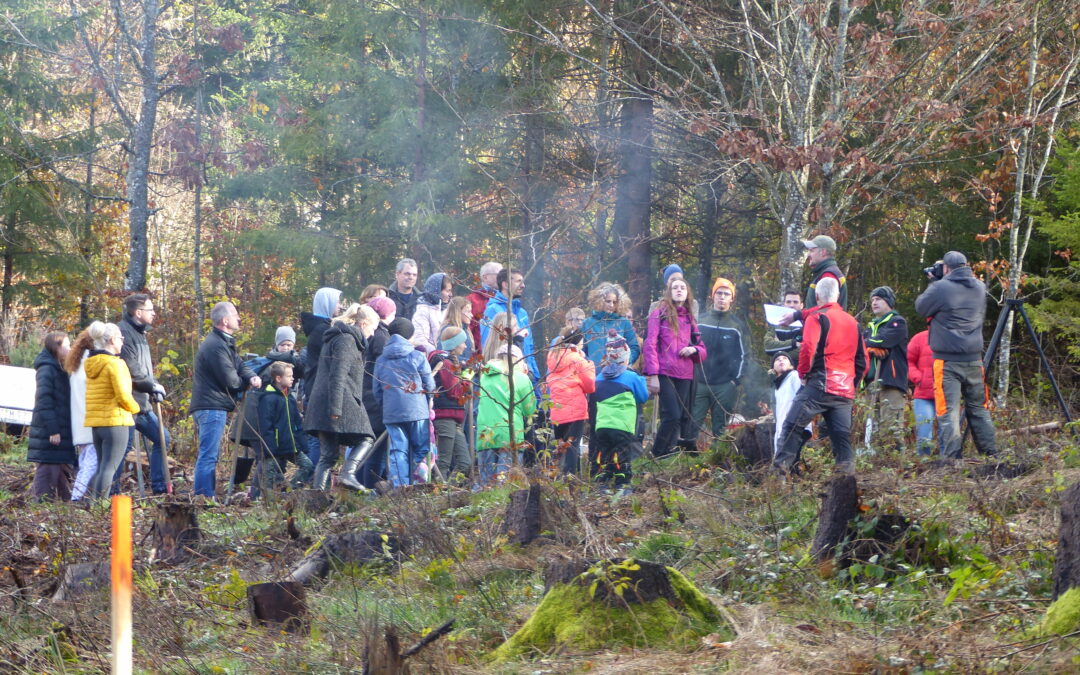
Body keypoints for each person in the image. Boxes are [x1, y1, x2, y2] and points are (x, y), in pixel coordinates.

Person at [773, 278, 866, 476]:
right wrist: (852, 384)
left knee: (791, 426)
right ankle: (846, 482)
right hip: (844, 391)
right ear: (838, 296)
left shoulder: (817, 318)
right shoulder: (853, 322)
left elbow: (808, 348)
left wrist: (803, 374)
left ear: (816, 297)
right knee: (842, 438)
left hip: (820, 384)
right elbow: (862, 361)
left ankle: (779, 476)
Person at [914, 251, 998, 459]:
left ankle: (951, 460)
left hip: (947, 361)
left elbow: (921, 307)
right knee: (979, 408)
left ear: (946, 268)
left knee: (948, 411)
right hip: (974, 359)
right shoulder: (979, 287)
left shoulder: (940, 287)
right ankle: (991, 456)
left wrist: (933, 282)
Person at [190, 302, 261, 498]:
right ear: (225, 320)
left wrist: (252, 376)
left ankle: (206, 496)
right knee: (209, 455)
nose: (239, 318)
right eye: (235, 315)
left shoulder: (225, 343)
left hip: (213, 405)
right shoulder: (215, 345)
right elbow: (231, 380)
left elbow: (240, 365)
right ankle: (204, 498)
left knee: (211, 454)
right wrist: (245, 384)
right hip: (210, 406)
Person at [304, 304, 378, 490]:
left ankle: (316, 497)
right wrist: (335, 409)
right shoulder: (346, 340)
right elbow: (338, 374)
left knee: (327, 456)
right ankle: (348, 473)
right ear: (362, 324)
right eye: (372, 328)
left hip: (323, 402)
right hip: (339, 399)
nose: (373, 334)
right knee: (366, 438)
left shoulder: (335, 337)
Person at [644, 277, 706, 457]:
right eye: (675, 288)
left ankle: (667, 453)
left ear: (687, 293)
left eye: (683, 288)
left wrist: (693, 349)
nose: (679, 290)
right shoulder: (660, 313)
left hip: (685, 374)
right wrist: (653, 374)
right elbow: (650, 344)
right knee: (671, 415)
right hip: (665, 371)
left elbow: (702, 349)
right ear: (669, 292)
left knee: (678, 416)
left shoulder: (689, 318)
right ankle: (656, 454)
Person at [116, 294, 170, 495]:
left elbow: (145, 371)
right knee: (122, 449)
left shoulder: (140, 333)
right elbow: (133, 369)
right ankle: (111, 494)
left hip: (143, 403)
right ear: (138, 313)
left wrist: (154, 385)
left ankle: (159, 487)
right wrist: (151, 385)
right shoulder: (123, 332)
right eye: (150, 309)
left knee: (163, 438)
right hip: (128, 404)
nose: (154, 313)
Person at [375, 318, 436, 487]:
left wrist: (386, 405)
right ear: (410, 334)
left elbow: (377, 391)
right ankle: (420, 485)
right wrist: (429, 400)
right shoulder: (416, 356)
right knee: (422, 449)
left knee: (397, 450)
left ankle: (400, 487)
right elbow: (429, 384)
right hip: (417, 410)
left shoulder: (381, 360)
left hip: (392, 412)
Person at [476, 313, 536, 484]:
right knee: (505, 483)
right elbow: (530, 409)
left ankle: (482, 509)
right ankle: (502, 509)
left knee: (486, 483)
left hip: (485, 433)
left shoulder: (484, 374)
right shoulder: (521, 378)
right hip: (510, 434)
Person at [84, 321, 141, 499]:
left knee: (102, 467)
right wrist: (136, 408)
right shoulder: (115, 364)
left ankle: (92, 506)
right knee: (110, 468)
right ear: (111, 340)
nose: (122, 342)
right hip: (116, 422)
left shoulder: (92, 363)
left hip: (98, 423)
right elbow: (123, 395)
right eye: (120, 338)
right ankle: (100, 508)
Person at [590, 331, 648, 493]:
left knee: (603, 452)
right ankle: (622, 483)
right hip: (623, 425)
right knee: (622, 453)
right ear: (626, 358)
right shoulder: (632, 377)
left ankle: (601, 482)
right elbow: (643, 397)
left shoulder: (599, 377)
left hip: (602, 425)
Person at [693, 277, 750, 439]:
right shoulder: (700, 321)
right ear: (713, 296)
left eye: (726, 294)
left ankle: (718, 460)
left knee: (721, 428)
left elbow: (745, 355)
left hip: (725, 385)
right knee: (692, 423)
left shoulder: (736, 325)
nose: (722, 297)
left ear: (732, 298)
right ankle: (688, 459)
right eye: (719, 293)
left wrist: (736, 381)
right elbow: (689, 347)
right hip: (699, 382)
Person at [252, 361, 313, 497]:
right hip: (273, 448)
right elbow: (265, 426)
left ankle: (289, 492)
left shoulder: (290, 398)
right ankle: (262, 502)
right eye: (289, 376)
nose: (293, 378)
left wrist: (303, 444)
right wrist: (269, 448)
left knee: (307, 466)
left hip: (291, 446)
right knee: (268, 478)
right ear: (278, 378)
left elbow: (297, 423)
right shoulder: (268, 399)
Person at [28, 331, 75, 500]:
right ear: (57, 348)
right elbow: (43, 401)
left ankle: (64, 508)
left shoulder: (58, 368)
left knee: (60, 470)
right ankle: (39, 509)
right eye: (67, 345)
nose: (70, 349)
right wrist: (53, 430)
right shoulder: (47, 369)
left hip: (60, 429)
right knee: (47, 470)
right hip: (51, 431)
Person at [299, 287, 343, 469]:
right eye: (337, 302)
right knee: (319, 440)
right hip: (319, 390)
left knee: (318, 439)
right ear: (328, 304)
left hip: (315, 389)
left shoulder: (320, 328)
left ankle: (310, 480)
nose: (340, 306)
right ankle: (310, 480)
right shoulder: (323, 331)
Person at [863, 286, 909, 452]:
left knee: (890, 426)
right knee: (872, 425)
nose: (874, 303)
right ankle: (876, 463)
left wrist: (870, 343)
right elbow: (861, 344)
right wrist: (869, 346)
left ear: (888, 302)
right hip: (871, 381)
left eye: (879, 299)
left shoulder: (897, 322)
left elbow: (885, 340)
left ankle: (894, 462)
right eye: (872, 300)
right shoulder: (870, 327)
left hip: (891, 380)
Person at [357, 296, 395, 488]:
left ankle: (363, 486)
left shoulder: (374, 334)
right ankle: (368, 488)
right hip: (373, 398)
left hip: (368, 394)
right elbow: (381, 370)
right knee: (376, 448)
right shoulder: (381, 337)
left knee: (371, 447)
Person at [545, 329, 596, 475]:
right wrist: (589, 364)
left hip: (556, 411)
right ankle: (571, 482)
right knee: (573, 446)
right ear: (576, 343)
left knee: (561, 447)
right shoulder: (578, 359)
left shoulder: (553, 358)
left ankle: (557, 479)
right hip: (575, 411)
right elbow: (590, 386)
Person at [480, 268, 540, 382]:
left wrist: (534, 373)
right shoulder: (493, 310)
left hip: (527, 373)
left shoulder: (522, 313)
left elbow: (529, 346)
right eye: (518, 281)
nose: (523, 286)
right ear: (505, 284)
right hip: (505, 375)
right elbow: (488, 344)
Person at [430, 326, 472, 482]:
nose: (465, 346)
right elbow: (454, 391)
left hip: (453, 418)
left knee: (465, 463)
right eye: (463, 342)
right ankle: (437, 496)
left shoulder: (451, 363)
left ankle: (448, 493)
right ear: (455, 344)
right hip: (445, 416)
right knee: (444, 463)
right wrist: (467, 377)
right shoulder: (446, 364)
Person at [777, 235, 848, 327]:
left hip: (823, 333)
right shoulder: (825, 272)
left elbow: (826, 308)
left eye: (812, 250)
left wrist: (797, 315)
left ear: (823, 252)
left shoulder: (828, 275)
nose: (809, 254)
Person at [65, 330, 98, 501]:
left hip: (79, 422)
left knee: (86, 461)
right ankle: (77, 497)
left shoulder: (77, 364)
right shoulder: (89, 365)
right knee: (91, 463)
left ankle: (78, 495)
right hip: (89, 421)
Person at [580, 283, 640, 368]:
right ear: (599, 301)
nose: (611, 305)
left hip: (618, 374)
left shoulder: (624, 323)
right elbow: (581, 350)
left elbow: (634, 348)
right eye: (608, 301)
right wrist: (587, 366)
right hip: (592, 374)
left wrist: (626, 361)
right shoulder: (587, 323)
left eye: (615, 302)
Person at [907, 328, 941, 456]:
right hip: (923, 394)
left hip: (946, 393)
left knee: (947, 432)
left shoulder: (952, 336)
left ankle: (947, 463)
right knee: (924, 432)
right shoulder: (919, 338)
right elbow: (908, 360)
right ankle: (924, 462)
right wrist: (917, 377)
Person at [771, 352, 810, 461]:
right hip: (784, 428)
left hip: (795, 425)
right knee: (789, 463)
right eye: (777, 359)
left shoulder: (794, 375)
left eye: (784, 358)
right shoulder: (777, 387)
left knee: (790, 460)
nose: (781, 360)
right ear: (773, 368)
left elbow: (803, 396)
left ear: (791, 365)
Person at [412, 272, 452, 353]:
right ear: (437, 291)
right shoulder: (422, 311)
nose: (450, 294)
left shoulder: (446, 309)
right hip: (431, 361)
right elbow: (420, 342)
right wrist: (441, 354)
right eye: (448, 291)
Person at [466, 261, 502, 350]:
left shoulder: (507, 299)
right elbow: (467, 329)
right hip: (481, 352)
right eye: (499, 274)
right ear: (485, 277)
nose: (503, 278)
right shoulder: (471, 300)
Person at [764, 289, 804, 365]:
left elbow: (805, 350)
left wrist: (779, 354)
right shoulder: (776, 323)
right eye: (788, 302)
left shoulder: (807, 323)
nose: (791, 305)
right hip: (779, 373)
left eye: (795, 302)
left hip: (801, 372)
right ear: (784, 304)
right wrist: (794, 343)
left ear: (801, 305)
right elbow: (768, 346)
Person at [439, 296, 475, 362]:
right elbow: (445, 355)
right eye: (468, 312)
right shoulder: (448, 330)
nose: (472, 315)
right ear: (458, 312)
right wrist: (468, 363)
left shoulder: (465, 329)